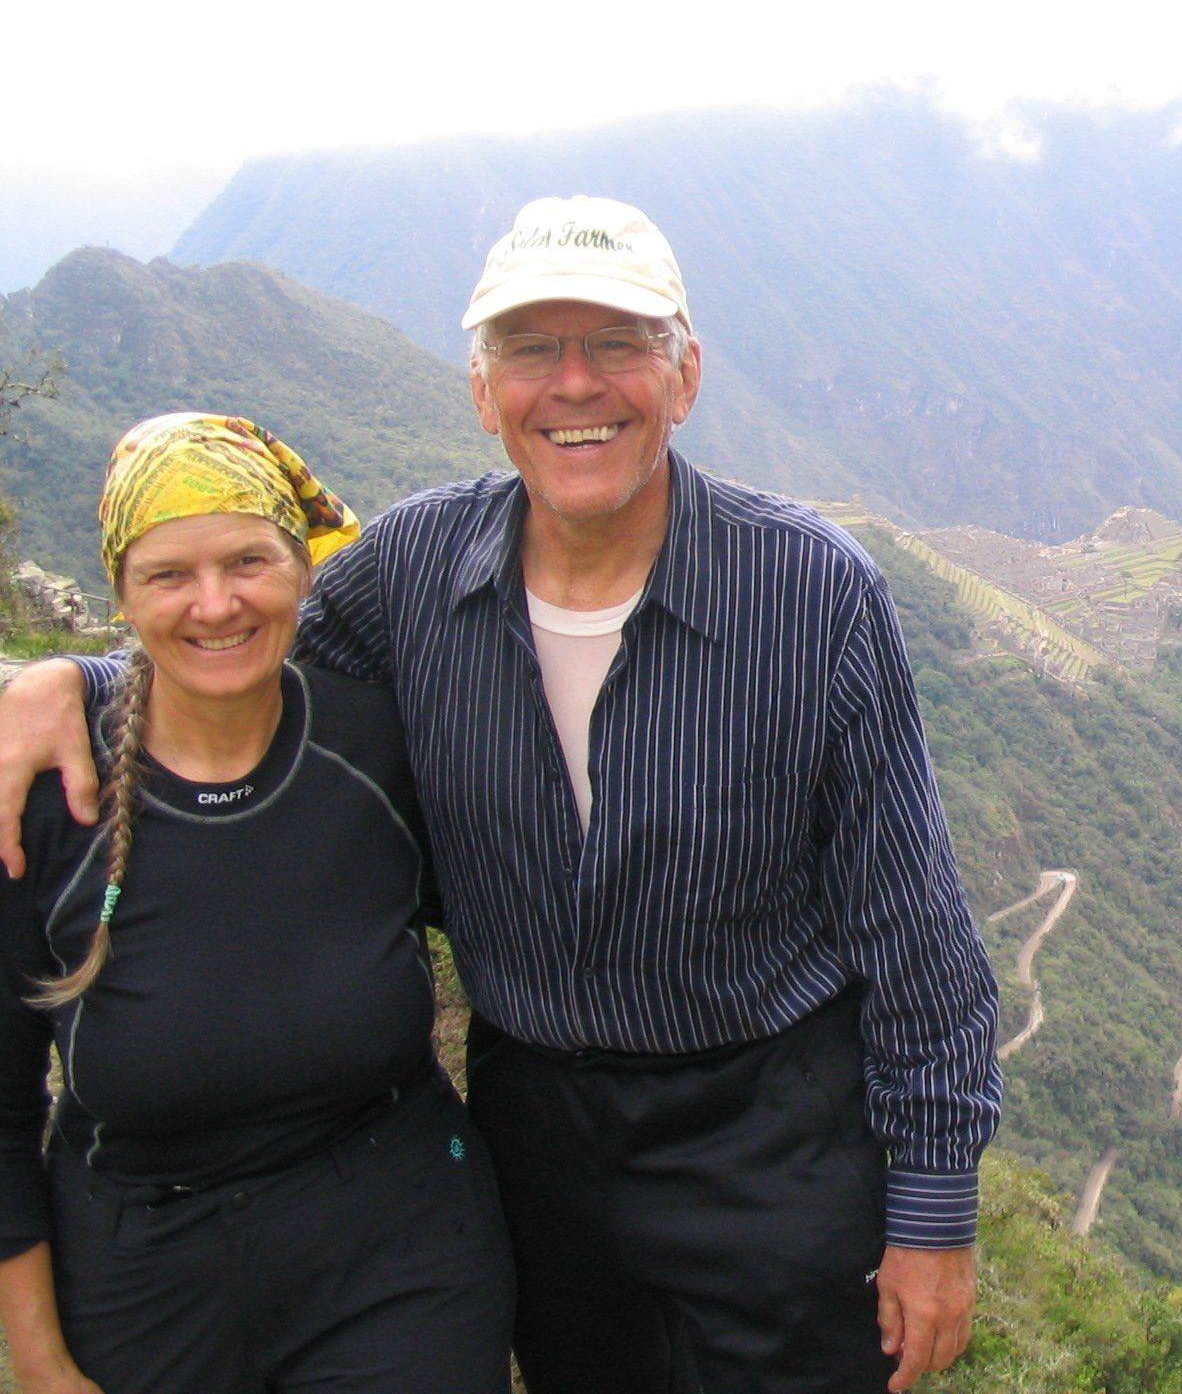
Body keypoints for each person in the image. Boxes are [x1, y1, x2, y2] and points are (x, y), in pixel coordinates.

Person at [0, 197, 1002, 1394]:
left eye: (618, 345)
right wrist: (71, 678)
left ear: (684, 377)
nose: (574, 385)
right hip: (538, 1149)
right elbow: (231, 644)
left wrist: (933, 1216)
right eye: (532, 350)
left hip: (772, 1137)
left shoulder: (809, 594)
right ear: (483, 391)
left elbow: (916, 931)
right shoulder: (416, 572)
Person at [0, 414, 516, 1394]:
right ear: (119, 591)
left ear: (302, 571)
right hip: (141, 1274)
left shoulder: (378, 747)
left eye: (249, 560)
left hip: (397, 1248)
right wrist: (40, 1358)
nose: (215, 604)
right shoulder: (43, 798)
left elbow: (538, 909)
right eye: (168, 576)